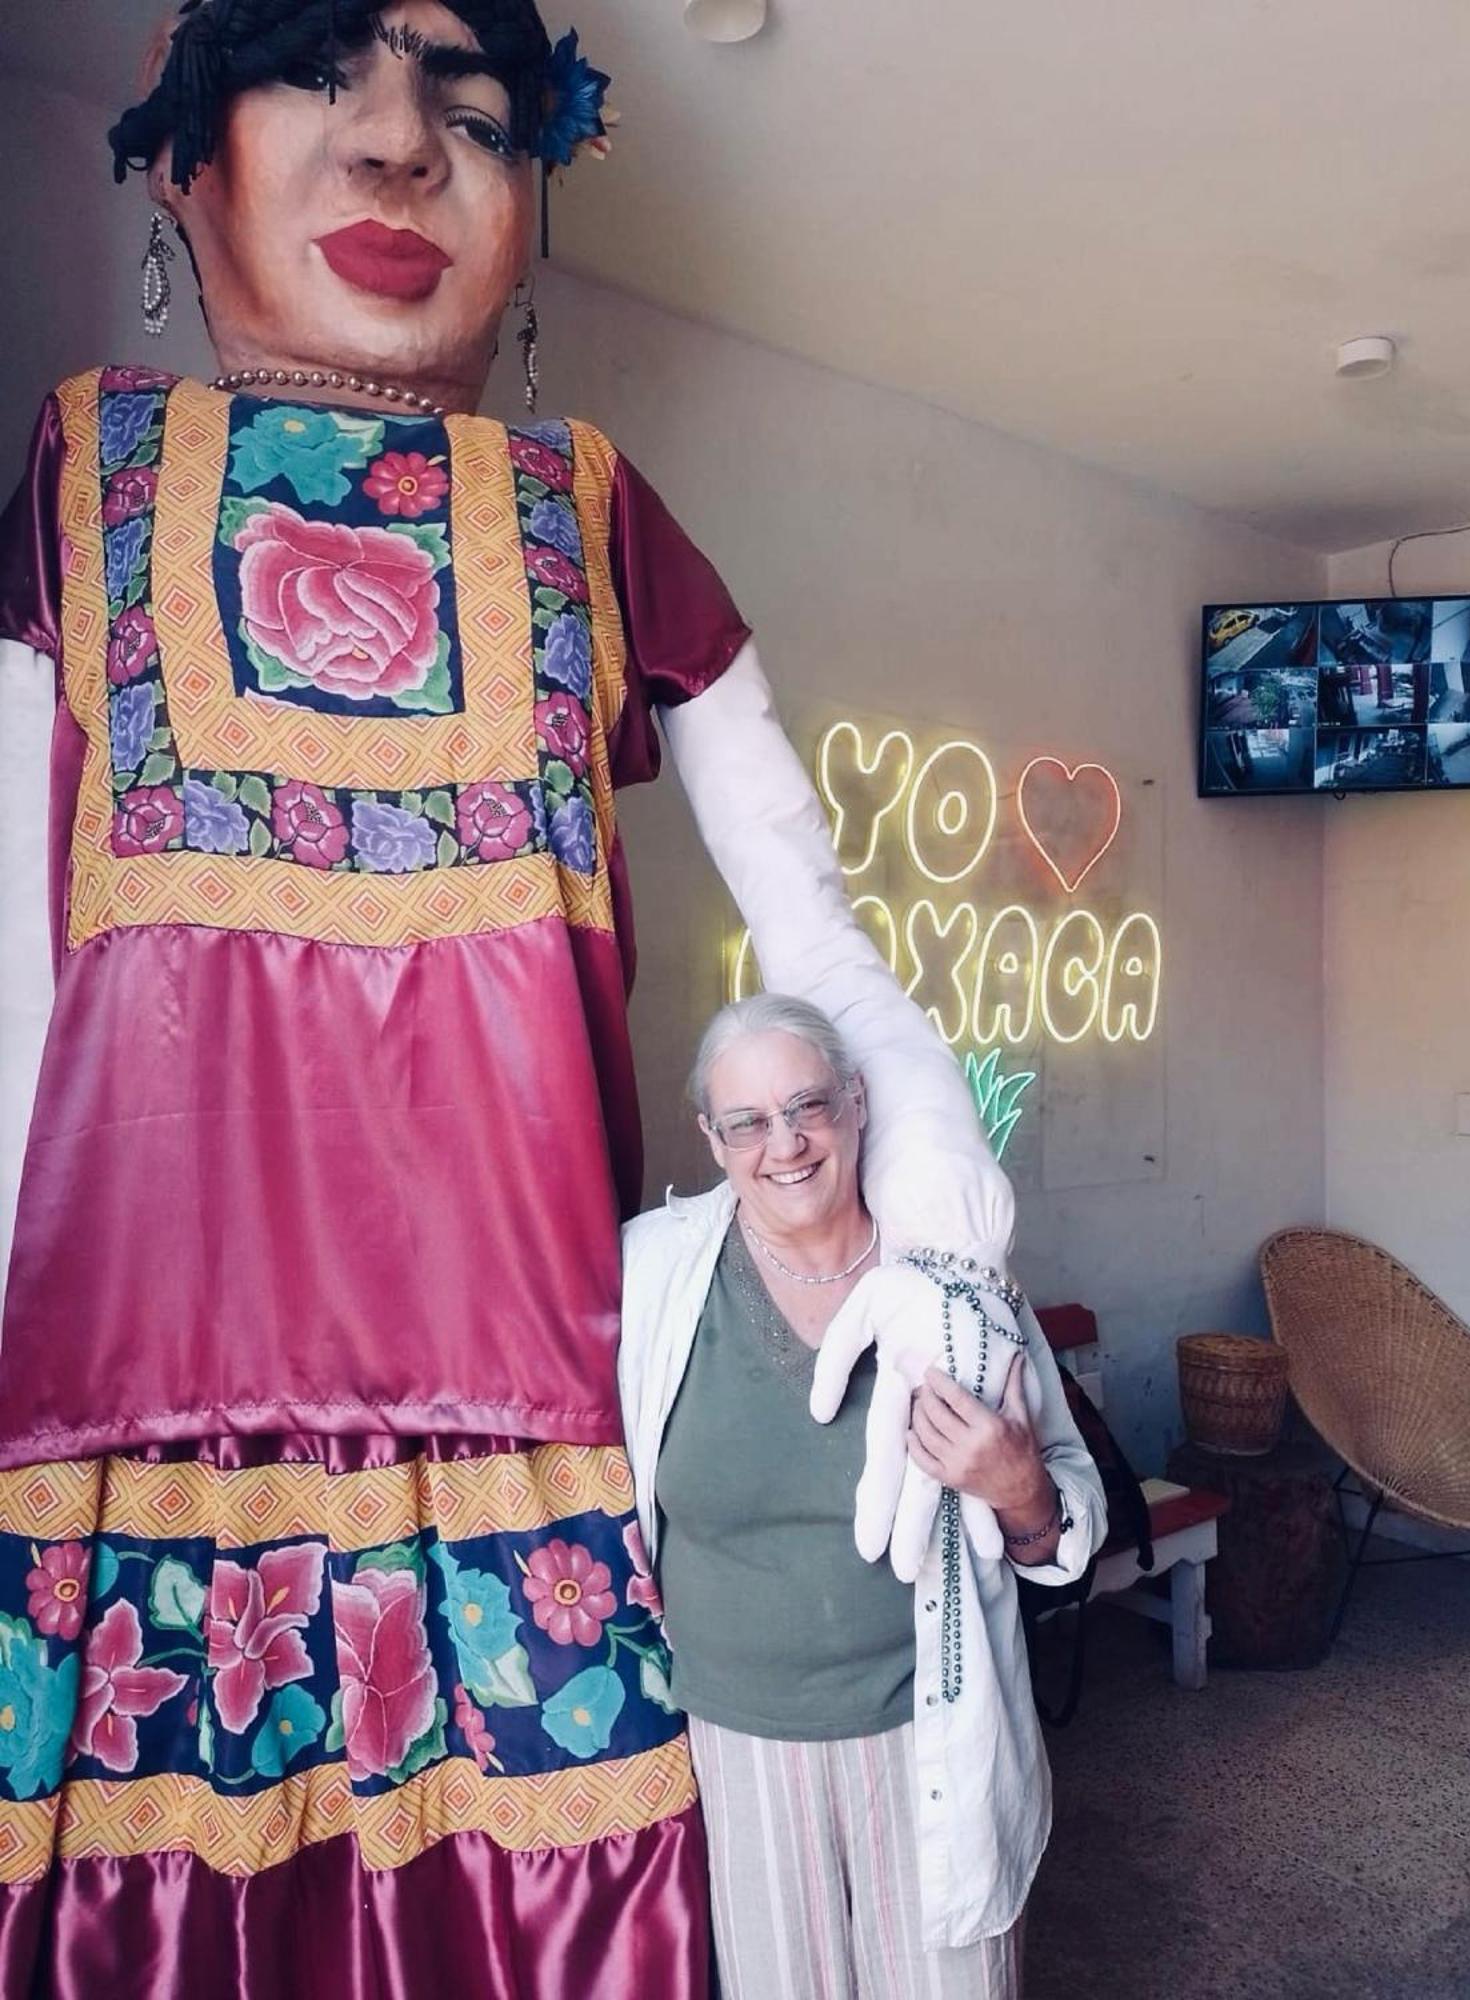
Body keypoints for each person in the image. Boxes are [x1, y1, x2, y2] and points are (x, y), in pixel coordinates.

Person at [0, 1, 1052, 1990]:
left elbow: (816, 946)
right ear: (179, 163)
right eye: (320, 78)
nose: (399, 150)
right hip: (143, 1404)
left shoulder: (589, 508)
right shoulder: (88, 472)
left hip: (539, 1411)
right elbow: (12, 982)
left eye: (473, 117)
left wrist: (927, 1214)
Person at [619, 995, 1108, 2000]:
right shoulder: (655, 1272)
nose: (784, 1142)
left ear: (856, 1103)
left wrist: (1020, 1490)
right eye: (746, 1120)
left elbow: (1066, 1509)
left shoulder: (958, 1272)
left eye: (808, 1104)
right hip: (740, 1744)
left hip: (927, 1729)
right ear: (711, 1137)